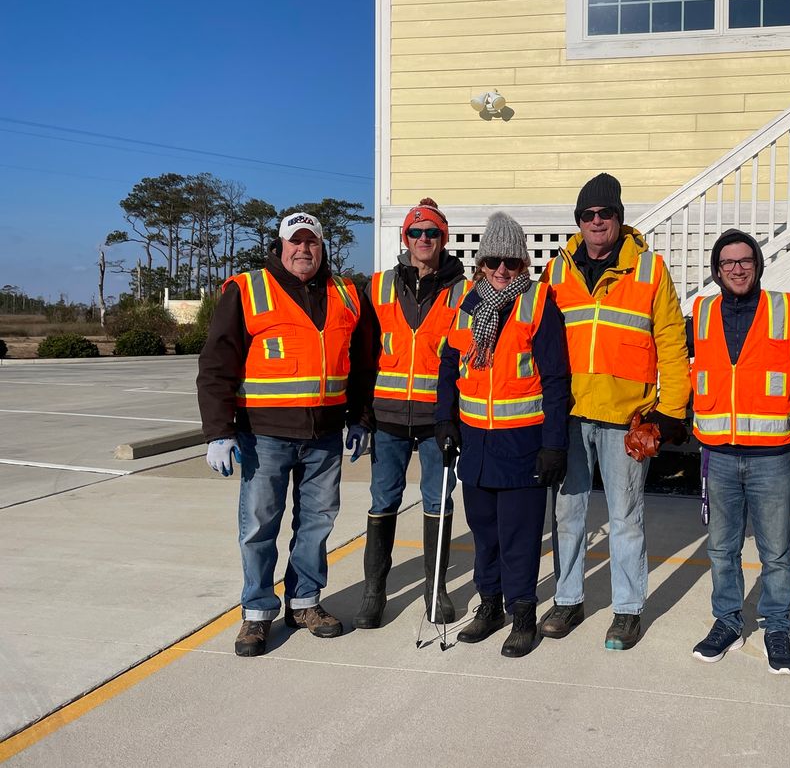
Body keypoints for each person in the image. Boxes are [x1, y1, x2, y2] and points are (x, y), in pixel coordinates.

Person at [198, 211, 373, 658]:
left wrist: (360, 417)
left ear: (322, 247)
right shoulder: (247, 290)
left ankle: (305, 603)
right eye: (295, 242)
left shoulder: (347, 294)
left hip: (325, 435)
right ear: (279, 247)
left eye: (311, 242)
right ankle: (257, 614)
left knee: (316, 524)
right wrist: (218, 432)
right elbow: (217, 365)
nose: (303, 249)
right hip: (264, 436)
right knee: (259, 527)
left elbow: (364, 361)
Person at [538, 172, 689, 651]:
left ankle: (627, 610)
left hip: (628, 417)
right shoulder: (556, 272)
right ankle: (568, 598)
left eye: (605, 214)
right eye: (588, 215)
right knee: (568, 514)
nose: (597, 221)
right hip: (571, 415)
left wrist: (671, 409)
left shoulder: (649, 269)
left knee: (626, 517)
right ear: (579, 222)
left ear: (620, 219)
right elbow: (539, 342)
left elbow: (670, 339)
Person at [435, 212, 569, 658]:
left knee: (520, 535)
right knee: (485, 531)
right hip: (475, 442)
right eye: (492, 260)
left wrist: (554, 444)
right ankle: (489, 605)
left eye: (510, 262)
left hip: (522, 443)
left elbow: (555, 379)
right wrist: (444, 419)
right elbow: (449, 366)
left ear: (523, 264)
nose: (500, 270)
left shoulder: (538, 302)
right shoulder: (467, 302)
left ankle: (523, 613)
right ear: (481, 262)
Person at [688, 229, 790, 675]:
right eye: (728, 263)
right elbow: (676, 362)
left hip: (770, 456)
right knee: (721, 548)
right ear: (717, 271)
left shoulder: (788, 309)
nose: (737, 269)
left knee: (776, 552)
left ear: (758, 265)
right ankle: (728, 622)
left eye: (745, 261)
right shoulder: (699, 312)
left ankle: (776, 627)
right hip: (717, 454)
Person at [353, 198, 467, 629]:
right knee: (383, 501)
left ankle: (435, 592)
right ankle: (373, 593)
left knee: (439, 501)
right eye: (416, 233)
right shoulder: (378, 286)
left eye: (432, 232)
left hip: (438, 418)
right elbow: (362, 355)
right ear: (405, 238)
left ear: (444, 238)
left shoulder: (464, 289)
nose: (424, 239)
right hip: (387, 420)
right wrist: (360, 413)